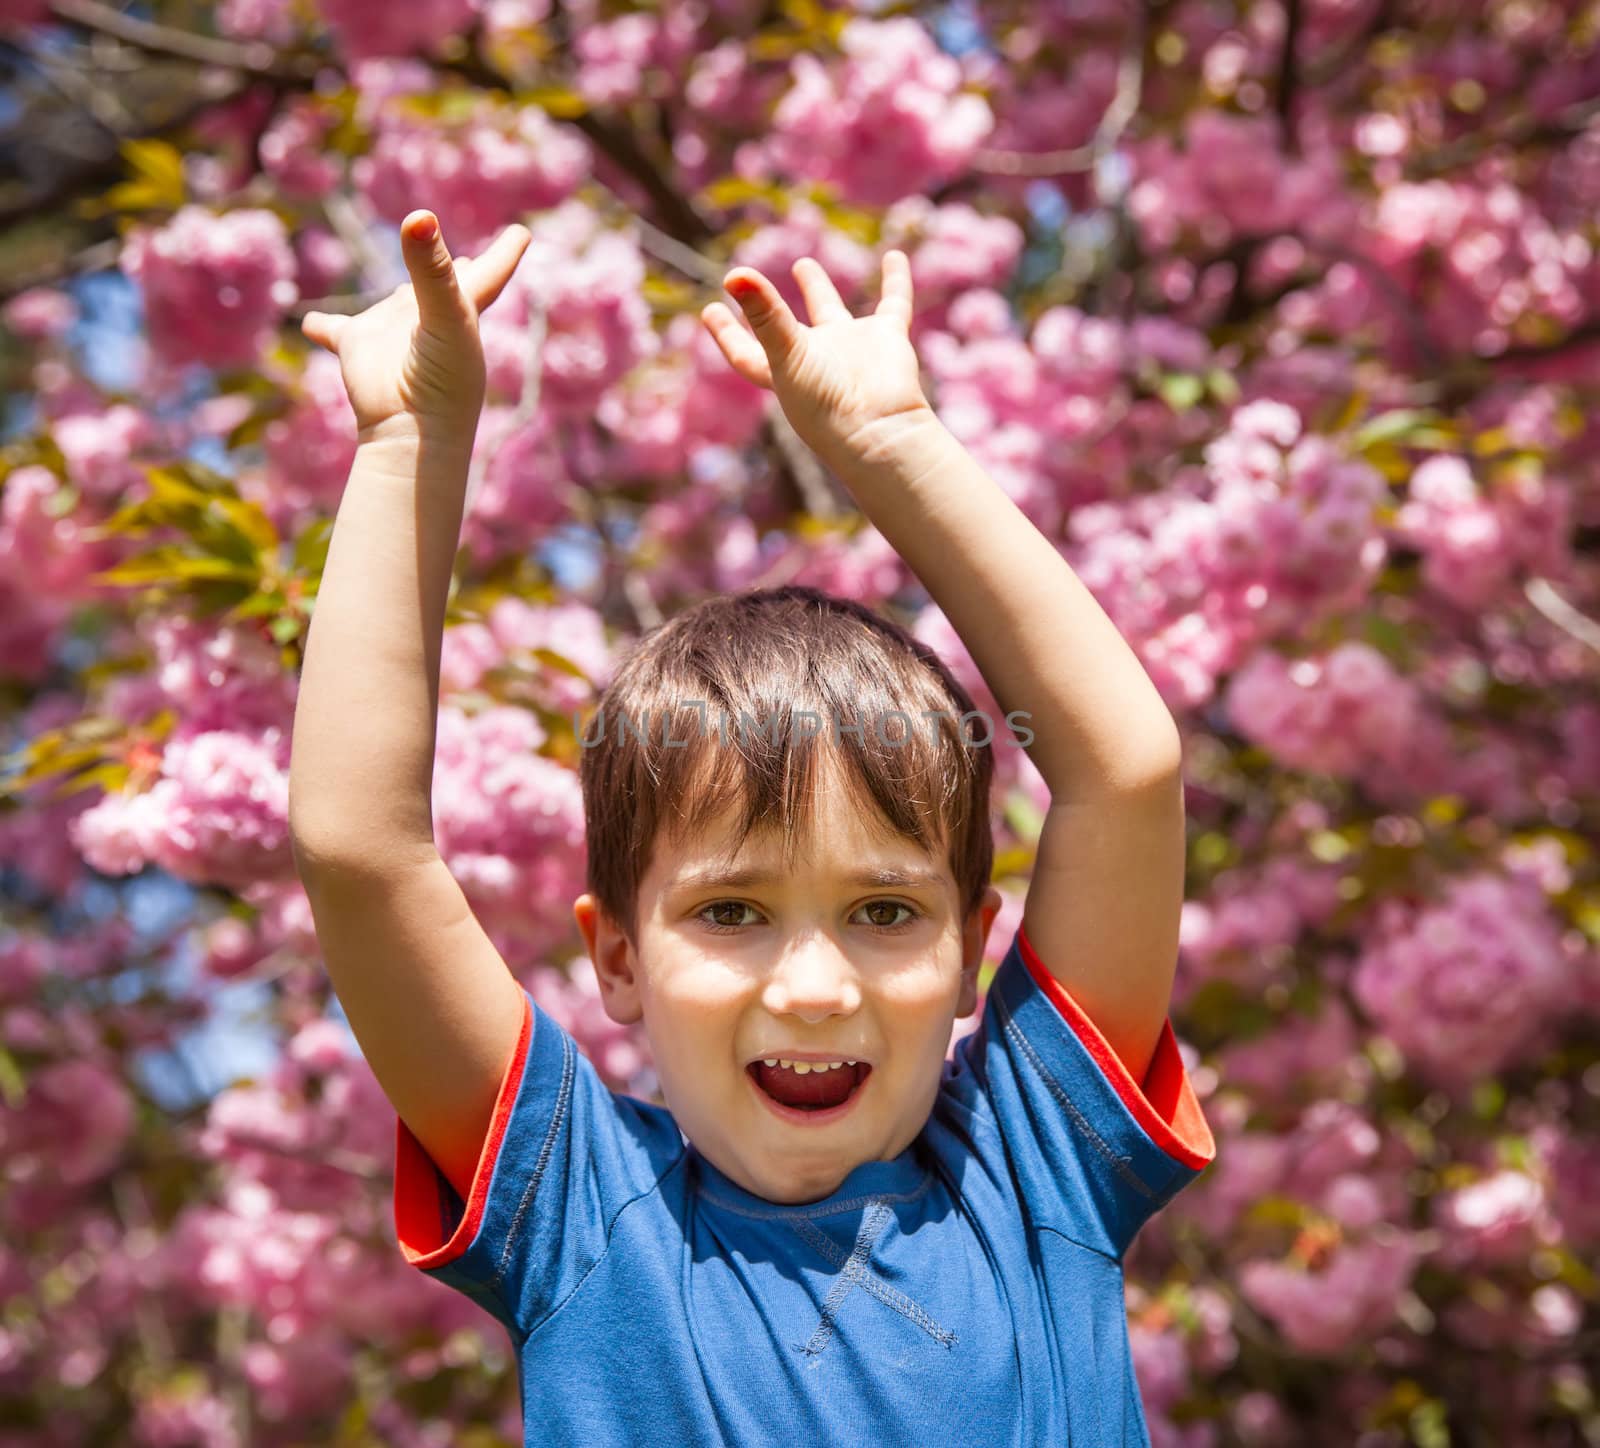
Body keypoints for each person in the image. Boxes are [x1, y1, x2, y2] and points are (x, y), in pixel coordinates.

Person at [290, 208, 1216, 1445]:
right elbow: (364, 847)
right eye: (732, 910)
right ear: (615, 954)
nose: (816, 982)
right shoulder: (583, 1212)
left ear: (968, 948)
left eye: (883, 910)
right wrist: (408, 440)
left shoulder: (1034, 1164)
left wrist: (895, 446)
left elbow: (1124, 774)